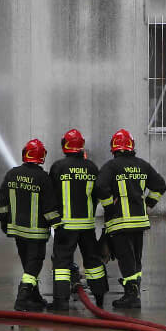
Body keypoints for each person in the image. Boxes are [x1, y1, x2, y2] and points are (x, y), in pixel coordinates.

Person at [94, 129, 166, 310]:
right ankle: (135, 291)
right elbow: (160, 186)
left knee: (125, 258)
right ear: (131, 146)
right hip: (139, 222)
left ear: (114, 147)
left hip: (120, 222)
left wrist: (109, 207)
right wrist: (148, 203)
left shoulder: (111, 166)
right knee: (136, 258)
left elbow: (100, 187)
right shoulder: (142, 165)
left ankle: (131, 296)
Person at [47, 129, 109, 310]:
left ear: (64, 145)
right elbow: (99, 194)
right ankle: (99, 299)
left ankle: (60, 302)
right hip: (87, 225)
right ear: (81, 146)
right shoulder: (92, 167)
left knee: (62, 263)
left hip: (65, 226)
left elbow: (50, 196)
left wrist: (53, 220)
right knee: (93, 262)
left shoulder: (58, 167)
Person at [0, 139, 60, 313]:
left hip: (17, 230)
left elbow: (2, 201)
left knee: (27, 264)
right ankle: (22, 299)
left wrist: (4, 221)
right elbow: (49, 207)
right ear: (42, 156)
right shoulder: (43, 178)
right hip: (36, 232)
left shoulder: (12, 174)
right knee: (34, 265)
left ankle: (34, 297)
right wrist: (57, 226)